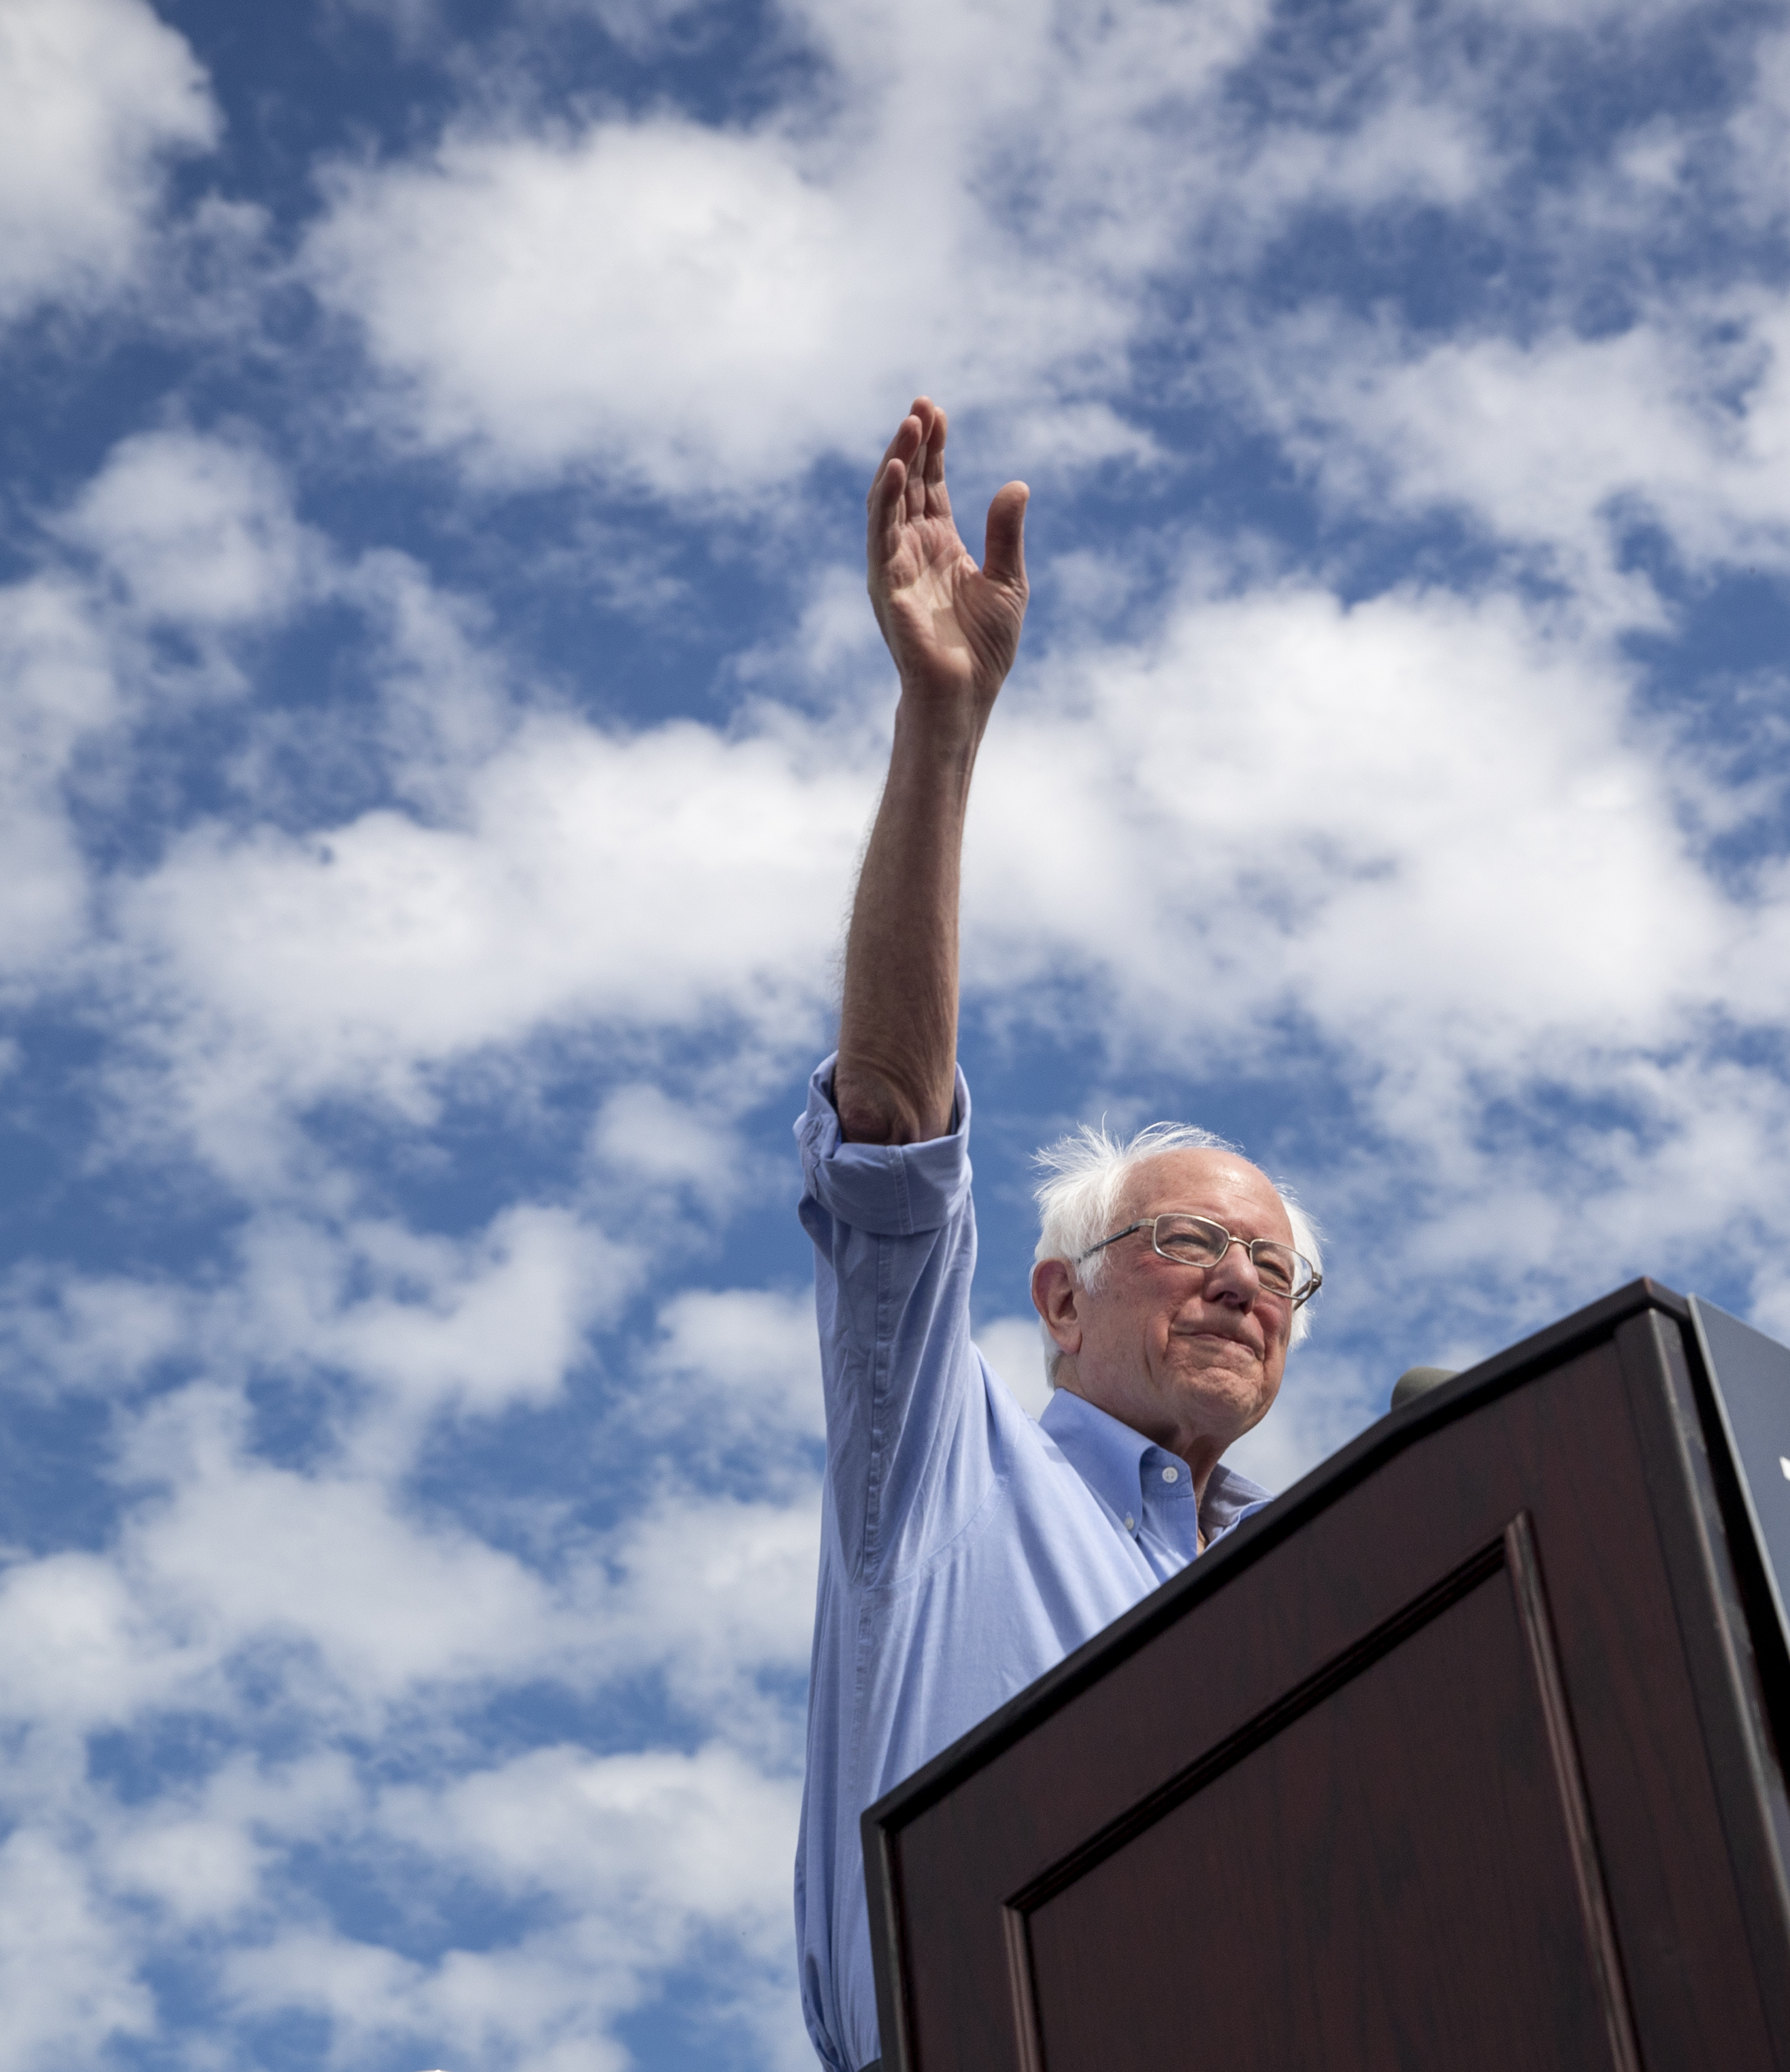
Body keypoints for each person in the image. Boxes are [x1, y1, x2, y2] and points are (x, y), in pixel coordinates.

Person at [789, 399, 1325, 2072]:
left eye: (1279, 1271)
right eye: (1185, 1240)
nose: (1244, 1282)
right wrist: (942, 728)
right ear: (1059, 1296)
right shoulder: (943, 1472)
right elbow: (891, 1136)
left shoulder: (1331, 1598)